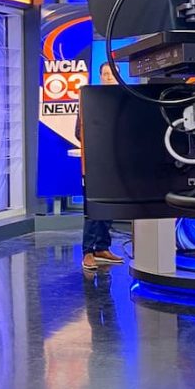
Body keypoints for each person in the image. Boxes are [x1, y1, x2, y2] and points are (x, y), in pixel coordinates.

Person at [74, 106, 123, 274]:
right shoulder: (89, 101)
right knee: (92, 209)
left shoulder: (118, 103)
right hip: (93, 164)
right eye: (107, 76)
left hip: (114, 163)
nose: (109, 77)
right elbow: (79, 133)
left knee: (108, 206)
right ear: (101, 77)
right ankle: (87, 252)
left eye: (111, 76)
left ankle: (102, 247)